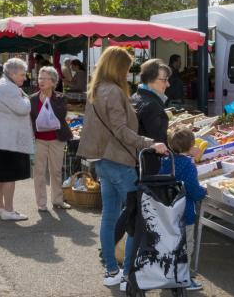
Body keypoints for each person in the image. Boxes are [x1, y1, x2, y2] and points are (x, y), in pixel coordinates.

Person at [77, 46, 168, 287]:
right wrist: (150, 143)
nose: (129, 73)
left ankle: (111, 271)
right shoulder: (114, 92)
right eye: (127, 68)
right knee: (135, 220)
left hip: (103, 162)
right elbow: (120, 130)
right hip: (119, 162)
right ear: (118, 67)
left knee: (109, 217)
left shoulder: (96, 91)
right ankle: (128, 274)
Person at [0, 58, 33, 221]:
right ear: (12, 73)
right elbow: (24, 109)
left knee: (0, 176)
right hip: (5, 140)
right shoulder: (8, 88)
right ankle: (8, 210)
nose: (25, 78)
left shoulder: (1, 84)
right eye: (22, 75)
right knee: (9, 176)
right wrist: (27, 98)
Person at [159, 127, 206, 291]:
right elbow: (193, 189)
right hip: (185, 213)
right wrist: (203, 192)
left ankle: (169, 275)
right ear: (191, 145)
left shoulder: (166, 161)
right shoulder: (188, 165)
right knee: (187, 245)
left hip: (167, 212)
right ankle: (184, 278)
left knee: (170, 246)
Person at [30, 66, 73, 212]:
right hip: (39, 140)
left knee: (56, 171)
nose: (41, 81)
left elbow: (60, 116)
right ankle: (41, 203)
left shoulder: (60, 98)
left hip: (57, 139)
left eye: (44, 78)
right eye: (40, 78)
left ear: (53, 81)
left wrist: (48, 100)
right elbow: (30, 118)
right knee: (39, 172)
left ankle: (58, 200)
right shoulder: (32, 99)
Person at [132, 59, 171, 175]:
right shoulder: (151, 105)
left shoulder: (136, 96)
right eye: (164, 80)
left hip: (137, 161)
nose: (168, 84)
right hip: (149, 165)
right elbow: (158, 140)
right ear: (150, 80)